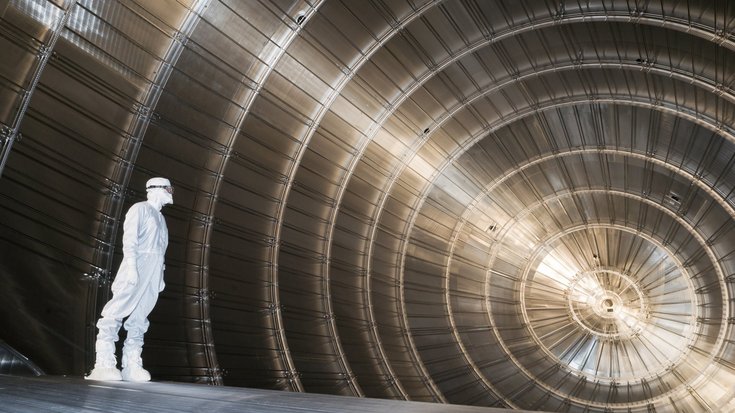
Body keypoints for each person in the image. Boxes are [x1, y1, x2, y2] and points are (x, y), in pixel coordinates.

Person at [86, 177, 173, 382]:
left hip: (153, 271)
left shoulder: (161, 219)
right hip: (137, 265)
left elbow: (162, 250)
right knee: (118, 308)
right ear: (155, 190)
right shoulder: (139, 209)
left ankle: (131, 363)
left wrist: (159, 275)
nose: (171, 192)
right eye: (167, 188)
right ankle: (104, 361)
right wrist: (133, 268)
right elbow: (130, 240)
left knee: (141, 315)